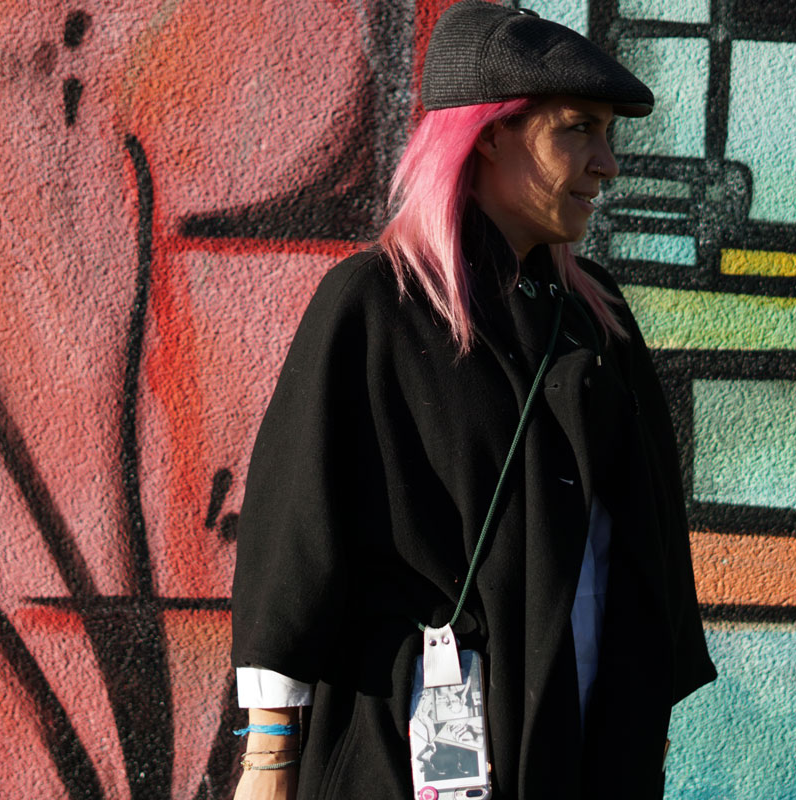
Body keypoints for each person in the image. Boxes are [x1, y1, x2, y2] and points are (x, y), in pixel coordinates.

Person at [229, 2, 716, 798]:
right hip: (406, 747)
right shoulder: (376, 305)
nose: (606, 164)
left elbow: (651, 548)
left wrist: (645, 726)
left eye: (607, 135)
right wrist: (269, 758)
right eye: (577, 130)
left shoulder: (597, 319)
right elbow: (296, 541)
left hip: (586, 750)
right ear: (489, 135)